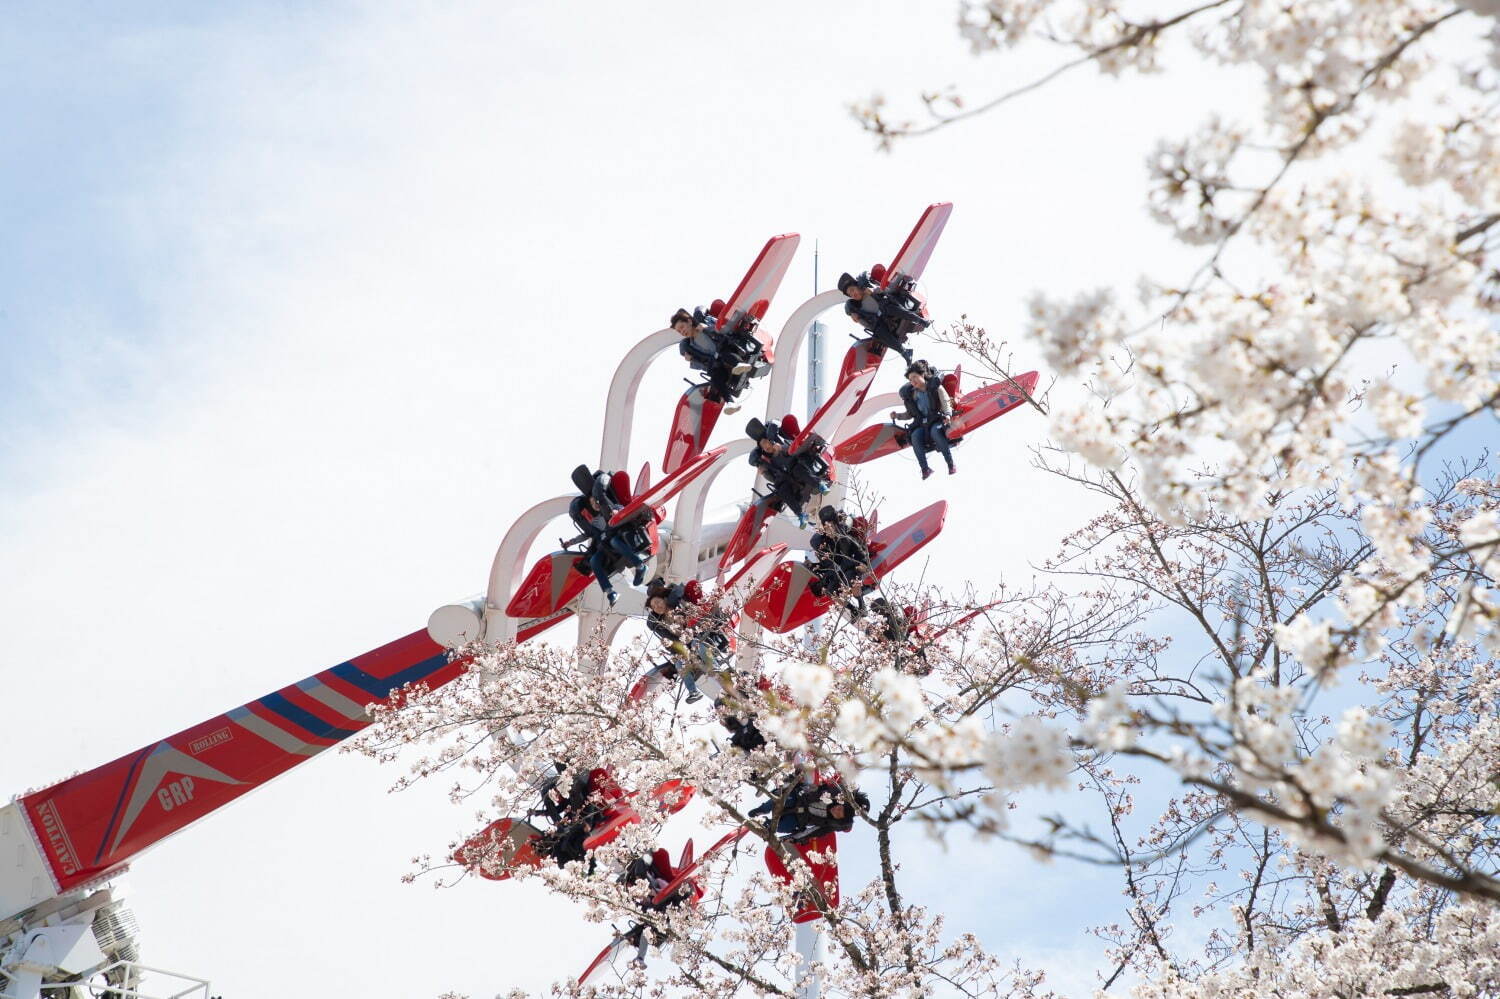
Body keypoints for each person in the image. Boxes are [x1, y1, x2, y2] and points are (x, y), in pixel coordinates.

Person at [566, 468, 649, 606]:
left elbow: (622, 511)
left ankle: (640, 566)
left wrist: (617, 512)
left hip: (623, 536)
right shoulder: (595, 521)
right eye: (592, 503)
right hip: (607, 545)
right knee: (594, 561)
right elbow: (587, 534)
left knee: (615, 541)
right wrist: (571, 542)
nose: (595, 504)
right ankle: (610, 592)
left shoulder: (613, 507)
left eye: (596, 501)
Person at [644, 577, 729, 702]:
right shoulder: (661, 624)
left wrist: (686, 625)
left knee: (696, 643)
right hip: (684, 644)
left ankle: (714, 666)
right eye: (654, 606)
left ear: (664, 599)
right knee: (679, 661)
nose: (657, 607)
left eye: (658, 602)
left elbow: (693, 613)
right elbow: (672, 641)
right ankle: (693, 692)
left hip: (698, 634)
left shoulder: (678, 604)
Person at [671, 306, 763, 409]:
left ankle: (739, 365)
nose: (682, 332)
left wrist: (707, 328)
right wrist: (692, 359)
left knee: (723, 353)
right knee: (715, 377)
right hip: (721, 366)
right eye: (679, 331)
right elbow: (705, 365)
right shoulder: (691, 347)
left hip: (730, 350)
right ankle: (730, 403)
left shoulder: (706, 322)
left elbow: (724, 327)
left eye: (682, 327)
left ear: (689, 321)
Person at [746, 419, 832, 528]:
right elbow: (774, 479)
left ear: (771, 440)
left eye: (766, 442)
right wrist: (764, 472)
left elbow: (794, 450)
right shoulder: (769, 462)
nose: (766, 446)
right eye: (763, 445)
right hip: (788, 480)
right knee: (782, 490)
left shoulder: (782, 445)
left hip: (797, 467)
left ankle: (820, 485)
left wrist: (782, 448)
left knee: (797, 470)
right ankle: (801, 514)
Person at [837, 271, 928, 364]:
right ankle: (904, 352)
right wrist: (851, 312)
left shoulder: (870, 289)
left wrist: (871, 291)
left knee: (889, 308)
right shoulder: (858, 308)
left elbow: (883, 290)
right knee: (879, 331)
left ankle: (920, 321)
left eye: (852, 290)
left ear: (858, 286)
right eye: (850, 294)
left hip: (890, 307)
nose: (853, 294)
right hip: (883, 322)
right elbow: (868, 324)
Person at [750, 774, 871, 843]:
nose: (836, 811)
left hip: (799, 819)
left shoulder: (835, 823)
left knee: (782, 827)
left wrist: (793, 838)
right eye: (839, 808)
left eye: (839, 814)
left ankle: (764, 824)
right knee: (781, 800)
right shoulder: (836, 793)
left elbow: (814, 832)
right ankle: (761, 810)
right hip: (798, 798)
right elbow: (817, 787)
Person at [893, 360, 956, 480]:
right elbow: (910, 414)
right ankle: (925, 469)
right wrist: (897, 416)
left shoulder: (935, 387)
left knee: (935, 432)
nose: (913, 381)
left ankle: (950, 463)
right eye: (910, 380)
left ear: (922, 375)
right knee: (915, 436)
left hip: (937, 419)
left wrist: (948, 415)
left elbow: (946, 402)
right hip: (922, 423)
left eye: (914, 377)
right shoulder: (913, 395)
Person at [807, 505, 871, 610]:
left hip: (852, 565)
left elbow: (857, 552)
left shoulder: (845, 536)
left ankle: (861, 604)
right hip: (839, 569)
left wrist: (862, 564)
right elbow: (828, 562)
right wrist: (815, 566)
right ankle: (852, 609)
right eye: (826, 527)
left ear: (834, 524)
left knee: (851, 579)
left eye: (830, 526)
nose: (829, 530)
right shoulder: (823, 542)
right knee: (830, 591)